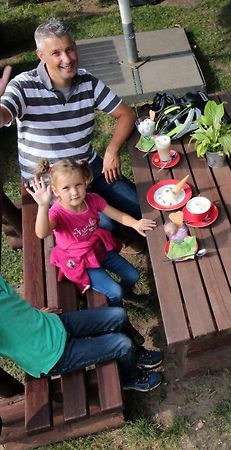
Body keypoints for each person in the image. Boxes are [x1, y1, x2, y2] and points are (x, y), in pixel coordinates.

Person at [0, 18, 143, 251]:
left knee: (140, 204)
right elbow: (4, 115)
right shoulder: (23, 86)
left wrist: (111, 149)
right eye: (56, 53)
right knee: (101, 222)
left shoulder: (87, 81)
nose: (66, 59)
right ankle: (126, 241)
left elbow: (126, 114)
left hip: (88, 167)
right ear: (40, 56)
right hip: (51, 184)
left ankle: (132, 235)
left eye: (70, 50)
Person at [26, 158, 156, 308]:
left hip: (98, 249)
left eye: (78, 185)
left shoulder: (92, 199)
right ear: (55, 191)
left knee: (133, 275)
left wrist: (135, 223)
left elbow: (117, 215)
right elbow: (42, 233)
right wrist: (43, 206)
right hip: (79, 261)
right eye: (66, 188)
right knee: (115, 292)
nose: (74, 192)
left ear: (85, 182)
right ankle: (118, 316)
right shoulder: (56, 213)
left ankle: (128, 295)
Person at [0, 275, 163, 392]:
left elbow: (10, 308)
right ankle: (130, 378)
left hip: (53, 324)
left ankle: (136, 356)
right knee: (122, 344)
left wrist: (32, 312)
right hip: (50, 356)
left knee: (118, 315)